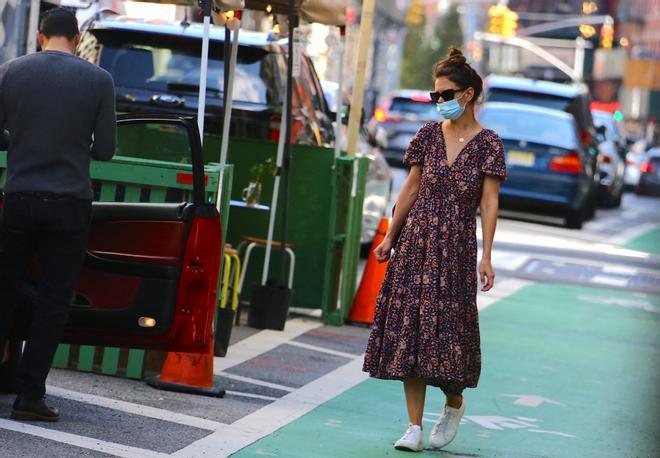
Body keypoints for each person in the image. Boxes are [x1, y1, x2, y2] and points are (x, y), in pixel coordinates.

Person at [363, 47, 507, 452]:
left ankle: (454, 401)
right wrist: (391, 235)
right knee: (411, 333)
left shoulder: (489, 144)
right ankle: (413, 427)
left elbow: (490, 202)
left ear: (468, 94)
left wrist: (487, 255)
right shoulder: (426, 136)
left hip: (457, 246)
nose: (438, 102)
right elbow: (410, 188)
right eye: (434, 95)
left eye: (445, 94)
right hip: (416, 242)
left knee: (449, 336)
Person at [0, 7, 116, 422]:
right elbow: (104, 150)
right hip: (69, 204)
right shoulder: (99, 81)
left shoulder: (10, 71)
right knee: (53, 302)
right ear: (77, 34)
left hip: (19, 198)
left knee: (4, 290)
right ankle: (30, 396)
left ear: (39, 35)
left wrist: (20, 138)